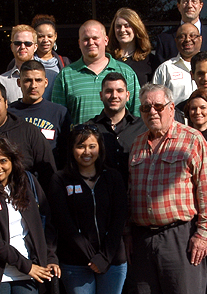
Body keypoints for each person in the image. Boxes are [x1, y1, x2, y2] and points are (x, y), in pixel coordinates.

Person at [126, 83, 207, 294]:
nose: (152, 112)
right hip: (142, 239)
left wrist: (203, 234)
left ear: (171, 108)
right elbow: (130, 191)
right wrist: (127, 233)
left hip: (179, 238)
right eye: (145, 107)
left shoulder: (193, 139)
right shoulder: (137, 143)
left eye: (158, 106)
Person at [0, 136, 60, 294]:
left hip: (29, 275)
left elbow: (46, 223)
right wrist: (25, 265)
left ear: (12, 161)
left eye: (3, 161)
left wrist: (50, 258)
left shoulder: (28, 185)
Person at [50, 125, 128, 294]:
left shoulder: (113, 177)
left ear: (100, 148)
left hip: (112, 261)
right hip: (76, 263)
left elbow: (119, 219)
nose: (86, 152)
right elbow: (64, 222)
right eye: (80, 146)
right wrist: (91, 257)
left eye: (92, 146)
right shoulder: (60, 179)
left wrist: (104, 257)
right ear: (72, 149)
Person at [51, 20, 141, 124]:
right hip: (81, 139)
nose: (91, 42)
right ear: (79, 43)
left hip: (119, 139)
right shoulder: (66, 75)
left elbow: (137, 114)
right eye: (86, 39)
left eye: (95, 38)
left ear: (106, 40)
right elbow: (58, 118)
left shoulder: (126, 72)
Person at [8, 60, 72, 169]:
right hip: (19, 178)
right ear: (19, 83)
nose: (33, 85)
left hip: (51, 178)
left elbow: (68, 151)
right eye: (28, 80)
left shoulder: (60, 113)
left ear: (46, 82)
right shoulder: (10, 113)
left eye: (38, 80)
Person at [87, 72, 147, 184]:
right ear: (101, 95)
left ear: (127, 95)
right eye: (109, 91)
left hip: (135, 195)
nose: (114, 96)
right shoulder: (89, 128)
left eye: (119, 91)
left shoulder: (143, 128)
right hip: (101, 195)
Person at [153, 23, 207, 104]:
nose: (187, 40)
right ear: (176, 41)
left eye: (192, 36)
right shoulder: (165, 68)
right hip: (177, 116)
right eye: (182, 36)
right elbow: (155, 101)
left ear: (200, 39)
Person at [107, 7, 155, 86]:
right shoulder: (107, 59)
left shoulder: (150, 60)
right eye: (118, 26)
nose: (122, 30)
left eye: (127, 26)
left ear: (136, 29)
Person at [0, 24, 38, 104]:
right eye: (18, 43)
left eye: (27, 43)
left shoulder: (50, 76)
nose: (22, 46)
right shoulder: (1, 82)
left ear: (35, 47)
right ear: (12, 47)